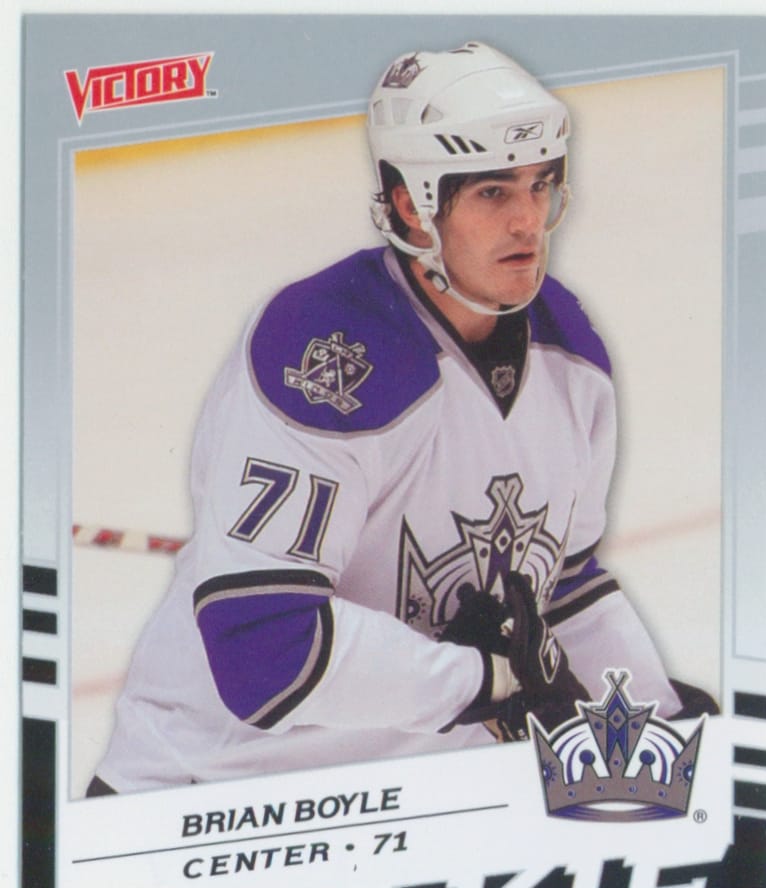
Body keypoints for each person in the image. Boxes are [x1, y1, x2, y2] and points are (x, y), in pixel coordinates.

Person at [88, 41, 714, 795]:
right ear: (414, 206)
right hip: (215, 795)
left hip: (422, 795)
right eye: (493, 192)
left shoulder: (570, 351)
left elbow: (564, 588)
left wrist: (653, 726)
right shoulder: (324, 352)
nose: (528, 222)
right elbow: (267, 651)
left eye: (540, 185)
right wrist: (488, 682)